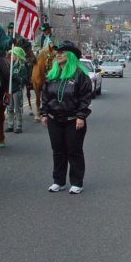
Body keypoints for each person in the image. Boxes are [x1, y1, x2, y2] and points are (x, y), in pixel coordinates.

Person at [41, 41, 93, 194]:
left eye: (62, 52)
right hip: (54, 119)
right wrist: (44, 113)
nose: (58, 55)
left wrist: (81, 116)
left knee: (74, 150)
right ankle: (59, 181)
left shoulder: (80, 76)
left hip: (73, 120)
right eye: (57, 52)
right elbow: (45, 96)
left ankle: (77, 182)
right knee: (58, 150)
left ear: (70, 56)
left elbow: (85, 98)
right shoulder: (52, 75)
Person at [5, 47, 30, 134]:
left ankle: (19, 126)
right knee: (9, 108)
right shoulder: (8, 65)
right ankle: (10, 125)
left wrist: (15, 77)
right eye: (11, 54)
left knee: (17, 108)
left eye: (14, 54)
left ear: (18, 55)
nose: (12, 56)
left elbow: (24, 79)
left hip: (17, 90)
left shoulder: (21, 66)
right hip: (9, 90)